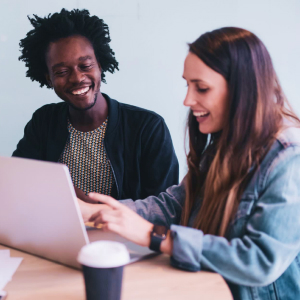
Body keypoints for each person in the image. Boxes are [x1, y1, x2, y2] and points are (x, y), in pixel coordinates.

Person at [78, 27, 300, 300]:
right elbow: (176, 204)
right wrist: (94, 212)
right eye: (188, 85)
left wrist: (155, 236)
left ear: (243, 89)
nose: (187, 100)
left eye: (202, 88)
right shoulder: (225, 142)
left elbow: (260, 260)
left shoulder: (289, 158)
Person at [13, 8, 179, 201]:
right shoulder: (43, 121)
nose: (77, 78)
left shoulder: (148, 127)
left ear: (100, 65)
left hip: (122, 231)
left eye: (85, 66)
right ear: (48, 79)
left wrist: (90, 206)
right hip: (55, 230)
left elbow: (165, 208)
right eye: (61, 72)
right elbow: (18, 185)